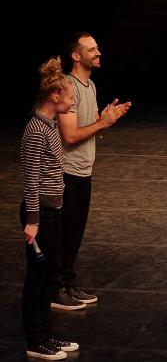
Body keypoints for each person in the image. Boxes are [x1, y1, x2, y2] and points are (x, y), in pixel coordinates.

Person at [52, 32, 131, 310]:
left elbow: (89, 124)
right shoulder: (66, 85)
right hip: (66, 172)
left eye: (98, 48)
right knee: (63, 234)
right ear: (76, 55)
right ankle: (55, 288)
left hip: (83, 170)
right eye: (92, 49)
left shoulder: (91, 86)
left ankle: (68, 283)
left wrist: (106, 117)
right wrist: (102, 124)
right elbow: (70, 135)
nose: (98, 53)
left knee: (75, 233)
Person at [20, 56, 79, 360]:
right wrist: (32, 221)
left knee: (51, 274)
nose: (73, 103)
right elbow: (30, 179)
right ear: (55, 97)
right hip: (38, 213)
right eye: (70, 97)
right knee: (38, 277)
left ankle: (48, 332)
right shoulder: (36, 130)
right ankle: (35, 339)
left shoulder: (50, 125)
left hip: (51, 211)